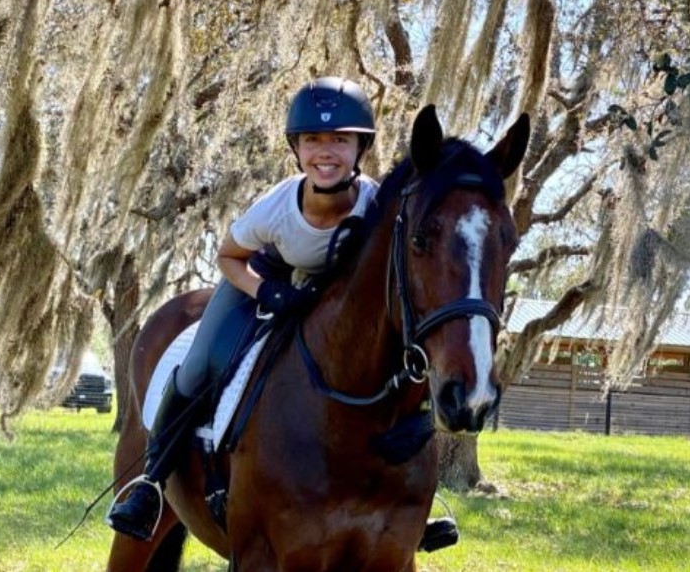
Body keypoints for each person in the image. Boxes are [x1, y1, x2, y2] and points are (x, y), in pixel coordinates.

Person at [109, 78, 456, 553]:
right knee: (199, 365)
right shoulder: (275, 206)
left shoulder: (377, 204)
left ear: (361, 147)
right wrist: (265, 290)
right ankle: (150, 483)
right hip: (262, 281)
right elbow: (230, 257)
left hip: (329, 299)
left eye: (340, 139)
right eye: (313, 140)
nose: (326, 152)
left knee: (400, 365)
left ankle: (415, 501)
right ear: (296, 148)